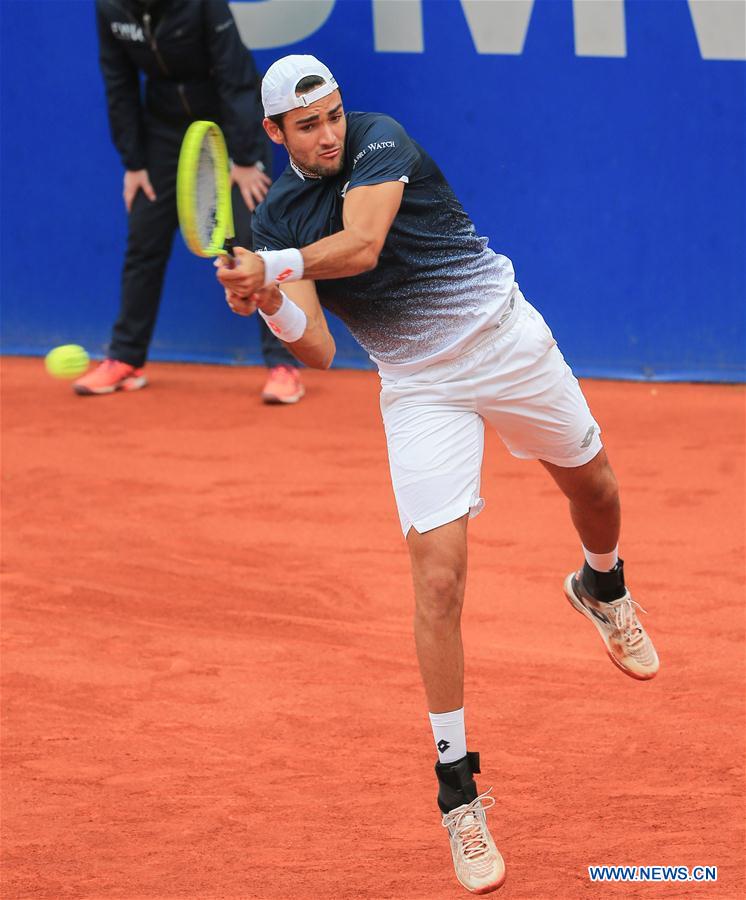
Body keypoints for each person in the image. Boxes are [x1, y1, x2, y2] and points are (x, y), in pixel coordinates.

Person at [217, 55, 660, 895]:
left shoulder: (381, 140)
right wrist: (266, 300)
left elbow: (363, 244)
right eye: (307, 126)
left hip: (505, 339)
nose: (329, 134)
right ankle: (458, 791)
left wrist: (272, 268)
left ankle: (603, 586)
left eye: (333, 115)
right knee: (439, 582)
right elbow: (314, 346)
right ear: (273, 134)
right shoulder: (279, 214)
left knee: (595, 488)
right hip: (420, 388)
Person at [74, 0, 304, 405]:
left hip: (226, 122)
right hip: (164, 131)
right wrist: (134, 163)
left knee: (255, 242)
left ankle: (283, 363)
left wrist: (245, 158)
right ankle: (126, 359)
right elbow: (119, 81)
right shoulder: (110, 8)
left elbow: (235, 75)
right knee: (144, 240)